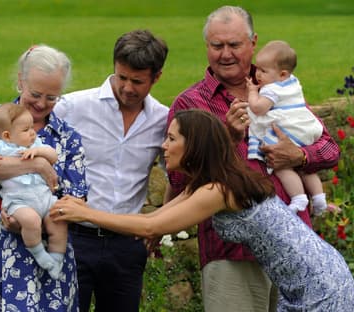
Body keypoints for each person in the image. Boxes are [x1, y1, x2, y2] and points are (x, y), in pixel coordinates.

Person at [50, 109, 354, 311]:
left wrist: (85, 214)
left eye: (171, 139)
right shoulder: (208, 183)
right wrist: (85, 207)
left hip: (321, 286)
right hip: (312, 278)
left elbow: (149, 229)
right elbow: (153, 219)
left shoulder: (218, 190)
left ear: (194, 145)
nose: (164, 146)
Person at [164, 6, 340, 312]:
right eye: (217, 46)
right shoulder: (190, 103)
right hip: (234, 253)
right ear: (206, 46)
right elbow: (179, 180)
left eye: (234, 44)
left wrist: (298, 155)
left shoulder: (279, 91)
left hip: (294, 247)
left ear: (253, 42)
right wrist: (228, 138)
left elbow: (328, 148)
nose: (225, 54)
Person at [0, 44, 88, 311]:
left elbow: (77, 199)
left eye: (52, 97)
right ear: (20, 81)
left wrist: (37, 219)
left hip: (49, 252)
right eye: (35, 94)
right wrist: (36, 166)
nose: (41, 104)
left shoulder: (68, 137)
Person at [53, 29, 169, 312]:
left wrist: (162, 223)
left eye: (138, 81)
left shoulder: (163, 119)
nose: (128, 87)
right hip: (74, 238)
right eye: (122, 77)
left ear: (157, 77)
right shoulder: (73, 107)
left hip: (127, 246)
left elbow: (177, 176)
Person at [0, 103, 67, 279]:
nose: (33, 132)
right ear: (7, 136)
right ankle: (40, 254)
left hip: (45, 198)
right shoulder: (0, 146)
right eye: (26, 129)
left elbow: (53, 156)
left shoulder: (37, 144)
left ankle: (57, 258)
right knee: (31, 221)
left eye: (32, 127)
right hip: (19, 201)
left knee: (59, 219)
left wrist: (38, 151)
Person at [246, 40, 327, 216]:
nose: (257, 74)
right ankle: (319, 197)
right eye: (258, 68)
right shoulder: (292, 82)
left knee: (281, 166)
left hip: (288, 131)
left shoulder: (272, 89)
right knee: (304, 166)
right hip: (305, 129)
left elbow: (259, 108)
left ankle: (299, 197)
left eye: (263, 71)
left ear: (282, 74)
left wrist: (252, 92)